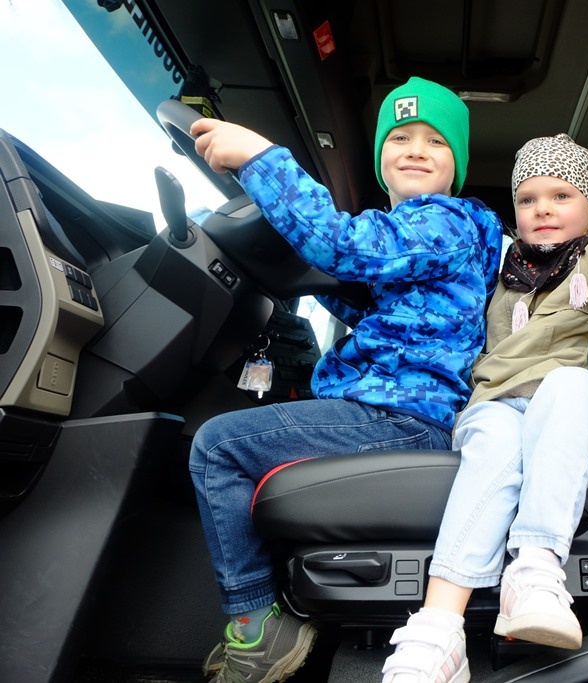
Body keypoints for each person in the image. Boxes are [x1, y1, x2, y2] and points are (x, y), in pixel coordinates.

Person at [186, 76, 504, 683]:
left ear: (457, 165)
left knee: (218, 446)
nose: (416, 149)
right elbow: (374, 301)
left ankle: (256, 624)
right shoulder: (420, 236)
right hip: (397, 411)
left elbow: (338, 244)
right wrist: (292, 264)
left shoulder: (446, 221)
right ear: (381, 158)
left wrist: (259, 158)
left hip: (401, 417)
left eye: (436, 141)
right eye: (400, 137)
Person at [381, 133, 588, 683]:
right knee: (494, 436)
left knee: (568, 385)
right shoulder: (499, 274)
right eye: (527, 199)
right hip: (497, 403)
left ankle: (536, 572)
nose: (543, 209)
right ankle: (437, 630)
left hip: (570, 410)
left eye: (562, 196)